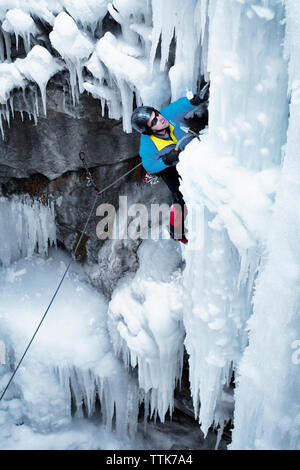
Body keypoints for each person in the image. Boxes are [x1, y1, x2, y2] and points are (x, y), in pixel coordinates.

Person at [131, 84, 209, 243]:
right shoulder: (147, 145)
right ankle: (176, 232)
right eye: (154, 122)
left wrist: (196, 99)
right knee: (179, 198)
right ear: (149, 130)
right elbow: (150, 166)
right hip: (168, 166)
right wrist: (167, 160)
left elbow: (181, 105)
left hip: (186, 152)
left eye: (156, 114)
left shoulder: (167, 116)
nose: (159, 119)